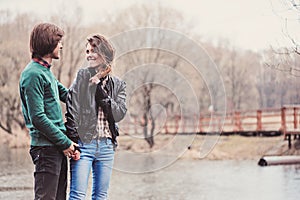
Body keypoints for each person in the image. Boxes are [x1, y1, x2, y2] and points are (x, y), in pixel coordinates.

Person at [19, 22, 79, 200]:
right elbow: (37, 118)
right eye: (58, 41)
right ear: (48, 43)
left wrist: (94, 88)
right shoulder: (33, 74)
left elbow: (68, 96)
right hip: (46, 149)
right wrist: (65, 142)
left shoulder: (45, 72)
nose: (61, 46)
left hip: (56, 147)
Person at [65, 34, 127, 200]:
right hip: (84, 144)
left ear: (104, 53)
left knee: (101, 196)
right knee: (77, 196)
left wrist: (99, 88)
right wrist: (74, 142)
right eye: (87, 51)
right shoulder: (82, 76)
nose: (89, 55)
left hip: (107, 146)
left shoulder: (118, 84)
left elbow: (119, 113)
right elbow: (72, 110)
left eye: (94, 50)